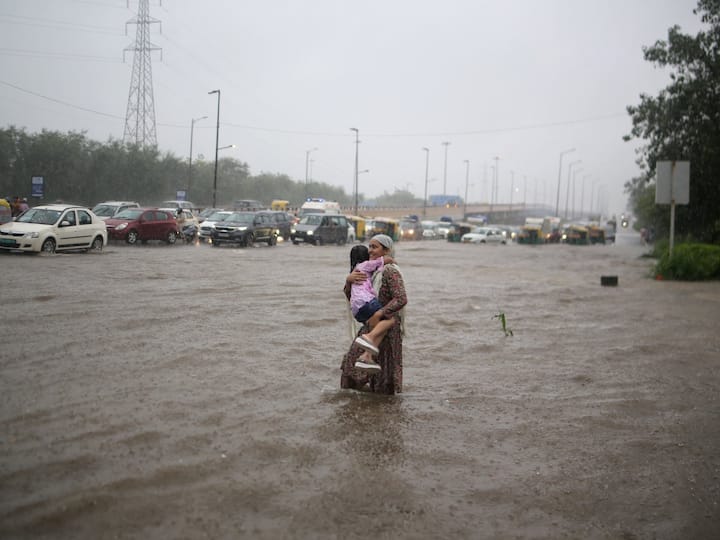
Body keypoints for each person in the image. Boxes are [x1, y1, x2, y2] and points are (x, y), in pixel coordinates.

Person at [341, 234, 407, 395]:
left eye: (375, 247)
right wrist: (349, 280)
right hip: (371, 323)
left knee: (383, 379)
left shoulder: (390, 271)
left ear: (387, 250)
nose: (370, 251)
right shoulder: (371, 270)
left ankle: (383, 415)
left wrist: (380, 312)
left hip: (387, 328)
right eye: (369, 247)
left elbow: (401, 298)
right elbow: (352, 297)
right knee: (350, 369)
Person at [347, 244, 397, 372]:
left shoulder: (356, 271)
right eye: (369, 251)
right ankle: (369, 338)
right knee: (391, 320)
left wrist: (348, 279)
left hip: (357, 310)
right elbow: (383, 261)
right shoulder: (365, 266)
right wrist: (391, 259)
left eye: (374, 248)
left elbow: (349, 294)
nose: (371, 252)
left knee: (382, 326)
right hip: (366, 302)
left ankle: (366, 357)